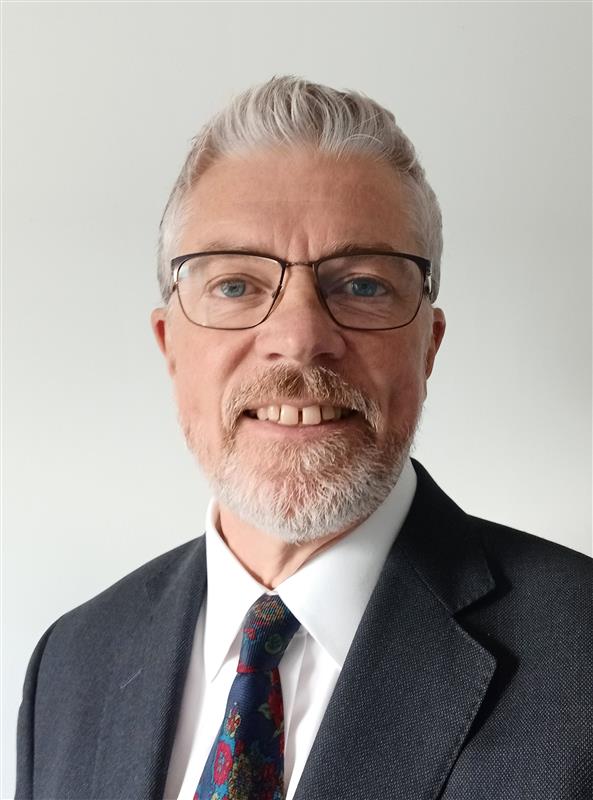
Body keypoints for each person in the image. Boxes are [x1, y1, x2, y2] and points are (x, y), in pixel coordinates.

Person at [16, 77, 592, 800]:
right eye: (235, 286)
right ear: (170, 346)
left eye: (362, 285)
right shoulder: (71, 664)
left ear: (428, 346)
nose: (298, 337)